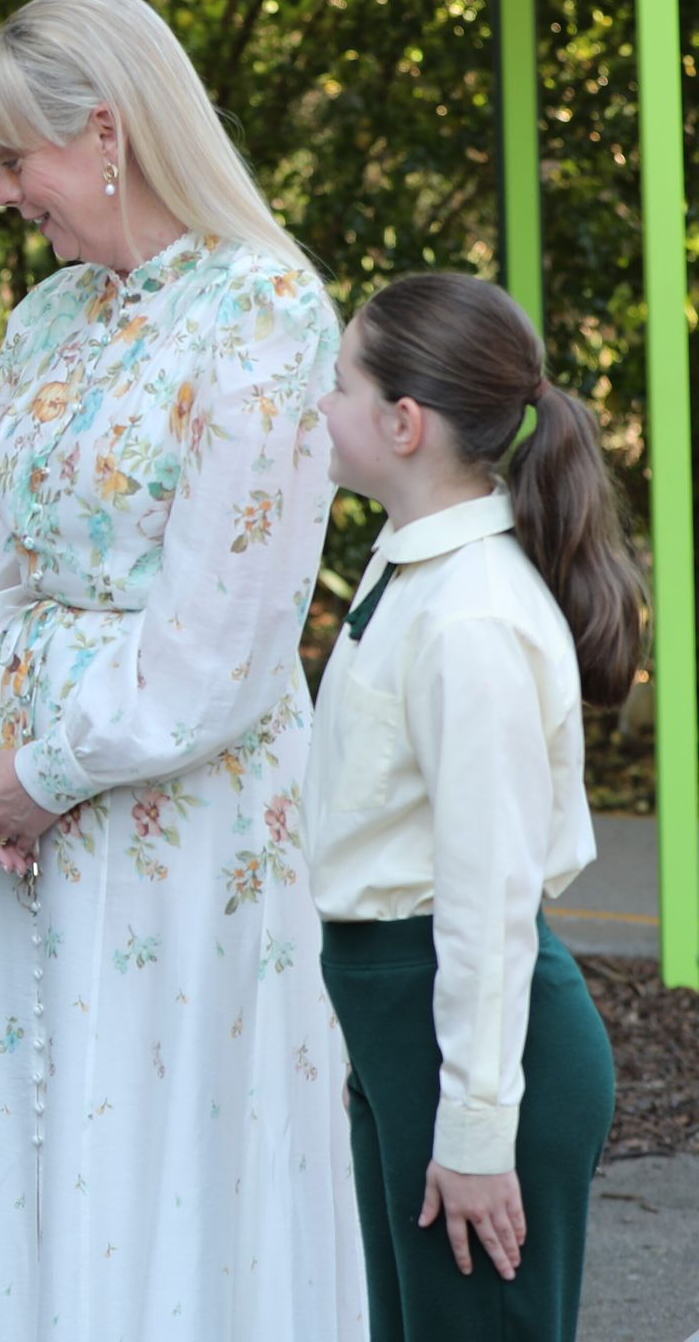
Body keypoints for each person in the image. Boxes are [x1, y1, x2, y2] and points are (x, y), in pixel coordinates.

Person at [0, 0, 363, 1337]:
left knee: (170, 1119)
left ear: (103, 130)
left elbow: (232, 618)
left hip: (187, 804)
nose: (0, 196)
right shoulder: (44, 320)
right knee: (40, 1126)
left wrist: (49, 769)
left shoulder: (266, 306)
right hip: (26, 825)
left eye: (9, 159)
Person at [307, 273, 638, 1342]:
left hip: (480, 1051)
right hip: (410, 1032)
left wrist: (478, 1132)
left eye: (340, 381)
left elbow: (489, 901)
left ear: (404, 423)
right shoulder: (408, 575)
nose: (320, 403)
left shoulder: (471, 617)